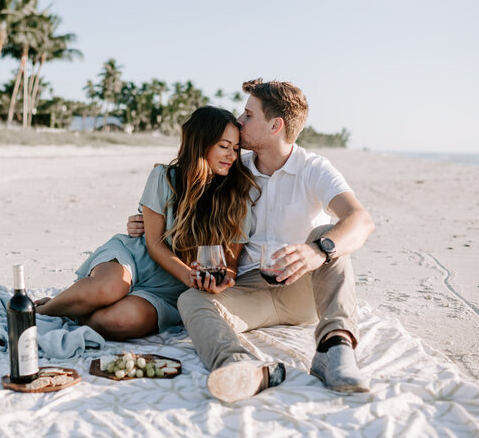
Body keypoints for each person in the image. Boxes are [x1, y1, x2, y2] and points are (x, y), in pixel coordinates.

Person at [127, 79, 375, 403]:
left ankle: (335, 349)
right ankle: (241, 365)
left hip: (300, 290)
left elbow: (361, 220)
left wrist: (317, 252)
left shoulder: (313, 169)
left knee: (327, 237)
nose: (239, 123)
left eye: (247, 115)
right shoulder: (234, 167)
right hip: (246, 288)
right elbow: (183, 200)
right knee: (191, 299)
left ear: (275, 125)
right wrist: (145, 222)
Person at [37, 106, 284, 395]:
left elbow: (228, 264)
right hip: (137, 257)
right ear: (200, 143)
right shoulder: (164, 177)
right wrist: (188, 275)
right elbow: (153, 244)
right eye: (224, 146)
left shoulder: (237, 198)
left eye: (236, 148)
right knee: (110, 287)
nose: (232, 155)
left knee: (119, 320)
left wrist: (219, 283)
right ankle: (41, 311)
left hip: (169, 290)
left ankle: (78, 309)